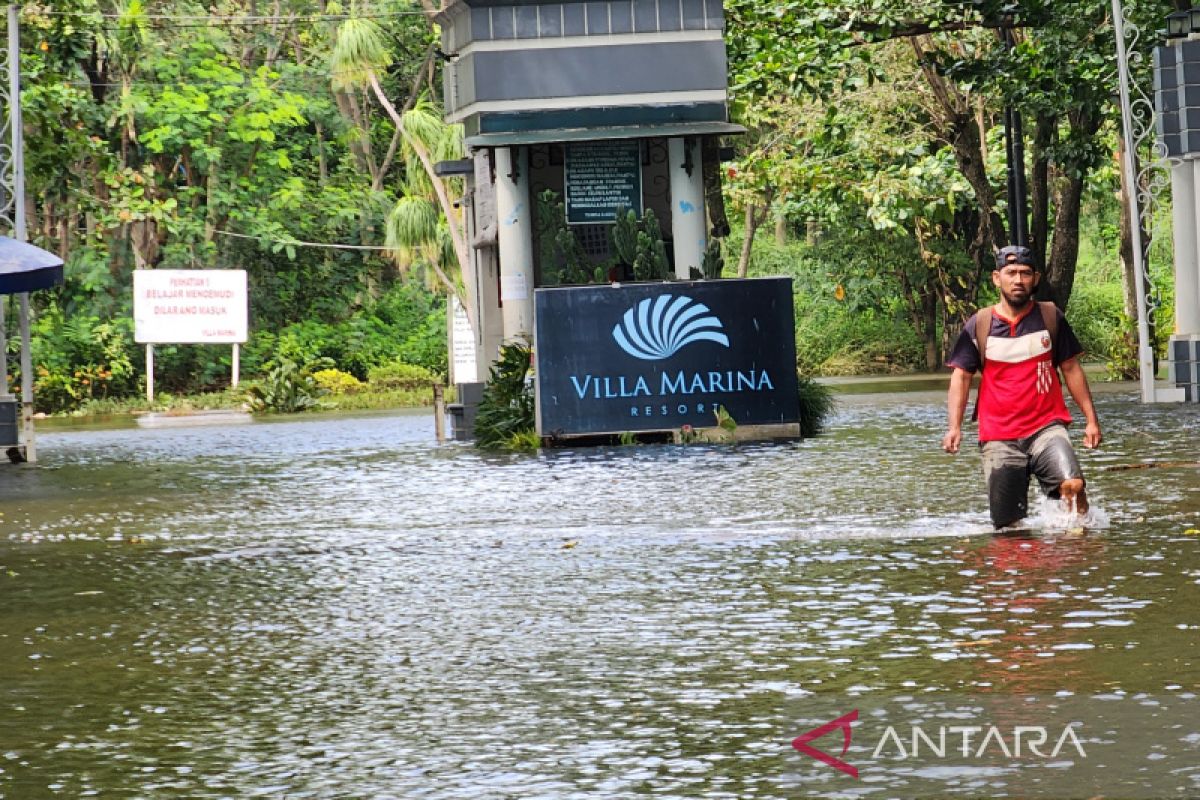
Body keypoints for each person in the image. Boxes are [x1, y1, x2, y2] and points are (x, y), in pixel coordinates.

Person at [942, 245, 1102, 529]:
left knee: (1073, 486)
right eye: (1011, 273)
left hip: (1047, 427)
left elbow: (1071, 368)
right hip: (999, 435)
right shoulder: (979, 324)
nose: (1018, 280)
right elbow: (961, 376)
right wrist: (954, 426)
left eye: (1025, 273)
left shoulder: (1051, 318)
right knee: (1009, 528)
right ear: (996, 278)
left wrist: (1091, 419)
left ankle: (1079, 551)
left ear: (1035, 278)